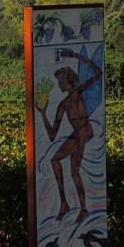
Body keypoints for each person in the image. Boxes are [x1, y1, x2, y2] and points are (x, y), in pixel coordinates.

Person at [38, 49, 102, 221]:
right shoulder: (62, 105)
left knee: (55, 159)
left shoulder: (78, 91)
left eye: (61, 80)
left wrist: (75, 56)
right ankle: (80, 208)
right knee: (74, 172)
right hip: (80, 133)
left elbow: (98, 73)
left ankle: (66, 203)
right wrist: (43, 113)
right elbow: (52, 135)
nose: (59, 84)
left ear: (68, 80)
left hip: (83, 131)